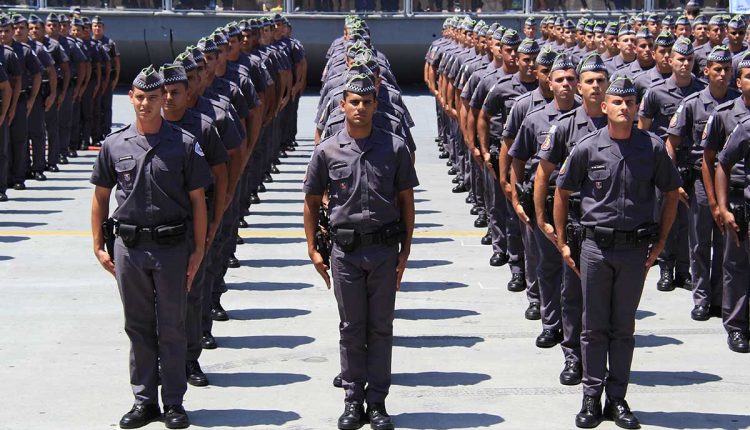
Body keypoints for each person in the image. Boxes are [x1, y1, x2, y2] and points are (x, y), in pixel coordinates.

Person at [554, 76, 681, 429]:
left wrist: (660, 243)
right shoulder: (587, 147)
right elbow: (562, 193)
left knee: (623, 328)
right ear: (605, 106)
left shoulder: (652, 148)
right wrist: (564, 242)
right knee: (593, 327)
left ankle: (618, 398)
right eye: (618, 102)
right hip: (595, 248)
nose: (624, 108)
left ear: (637, 106)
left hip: (634, 250)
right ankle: (591, 398)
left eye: (630, 102)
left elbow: (671, 193)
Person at [90, 66, 211, 430]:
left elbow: (198, 202)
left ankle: (173, 401)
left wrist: (199, 250)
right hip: (129, 247)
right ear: (132, 98)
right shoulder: (115, 144)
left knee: (172, 326)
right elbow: (100, 197)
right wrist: (98, 244)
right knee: (138, 326)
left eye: (153, 98)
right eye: (140, 98)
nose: (146, 104)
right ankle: (144, 401)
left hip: (172, 247)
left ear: (164, 100)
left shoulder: (183, 144)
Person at [303, 74, 418, 430]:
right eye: (354, 102)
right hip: (346, 253)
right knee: (352, 328)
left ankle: (378, 402)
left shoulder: (395, 148)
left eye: (366, 102)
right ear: (342, 106)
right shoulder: (326, 151)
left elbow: (406, 201)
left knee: (381, 328)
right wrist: (312, 248)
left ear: (375, 105)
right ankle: (353, 400)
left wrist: (406, 251)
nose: (360, 108)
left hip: (384, 249)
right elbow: (310, 201)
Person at [536, 52, 609, 387]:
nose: (595, 87)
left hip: (610, 223)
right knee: (573, 293)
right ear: (580, 87)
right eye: (589, 82)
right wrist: (542, 218)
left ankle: (599, 359)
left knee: (605, 299)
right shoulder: (564, 128)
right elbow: (542, 174)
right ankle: (573, 357)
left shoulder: (620, 124)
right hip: (577, 222)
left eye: (600, 82)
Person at [161, 63, 231, 387]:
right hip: (160, 225)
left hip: (194, 224)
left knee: (192, 294)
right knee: (158, 300)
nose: (168, 97)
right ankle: (163, 361)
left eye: (175, 91)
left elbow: (220, 174)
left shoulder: (202, 126)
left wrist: (216, 220)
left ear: (188, 94)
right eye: (163, 91)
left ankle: (190, 359)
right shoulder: (151, 127)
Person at [509, 53, 580, 350]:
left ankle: (576, 326)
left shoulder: (588, 118)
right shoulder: (534, 119)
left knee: (576, 270)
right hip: (547, 202)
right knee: (548, 266)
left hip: (579, 206)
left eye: (570, 79)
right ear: (548, 82)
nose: (565, 84)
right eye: (559, 79)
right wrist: (515, 196)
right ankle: (551, 324)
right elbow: (519, 159)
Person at [666, 45, 739, 321]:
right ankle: (701, 298)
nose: (722, 74)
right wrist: (674, 181)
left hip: (730, 181)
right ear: (706, 71)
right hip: (699, 179)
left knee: (725, 243)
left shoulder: (738, 101)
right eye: (717, 69)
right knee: (698, 242)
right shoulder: (692, 104)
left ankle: (720, 298)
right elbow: (670, 145)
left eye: (727, 70)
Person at [638, 37, 705, 291]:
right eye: (680, 59)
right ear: (670, 60)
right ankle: (665, 268)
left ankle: (683, 271)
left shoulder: (702, 90)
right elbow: (643, 129)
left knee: (689, 220)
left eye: (689, 59)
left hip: (693, 161)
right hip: (664, 162)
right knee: (666, 216)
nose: (685, 64)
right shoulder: (655, 91)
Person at [702, 51, 750, 353]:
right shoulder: (728, 116)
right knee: (735, 266)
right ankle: (736, 325)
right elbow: (716, 161)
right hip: (737, 199)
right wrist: (718, 205)